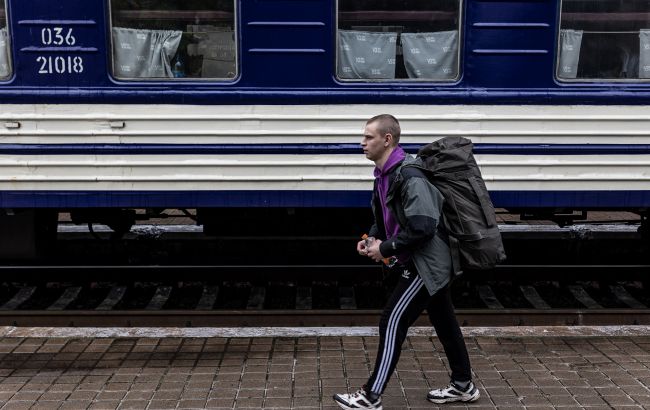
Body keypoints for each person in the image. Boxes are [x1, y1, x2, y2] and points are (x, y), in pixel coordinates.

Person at [333, 114, 479, 410]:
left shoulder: (409, 176)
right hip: (421, 258)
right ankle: (463, 386)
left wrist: (385, 248)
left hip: (428, 263)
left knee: (393, 319)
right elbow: (385, 219)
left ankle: (370, 396)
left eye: (368, 137)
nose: (362, 143)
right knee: (443, 319)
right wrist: (372, 238)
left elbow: (423, 226)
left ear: (387, 140)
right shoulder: (385, 175)